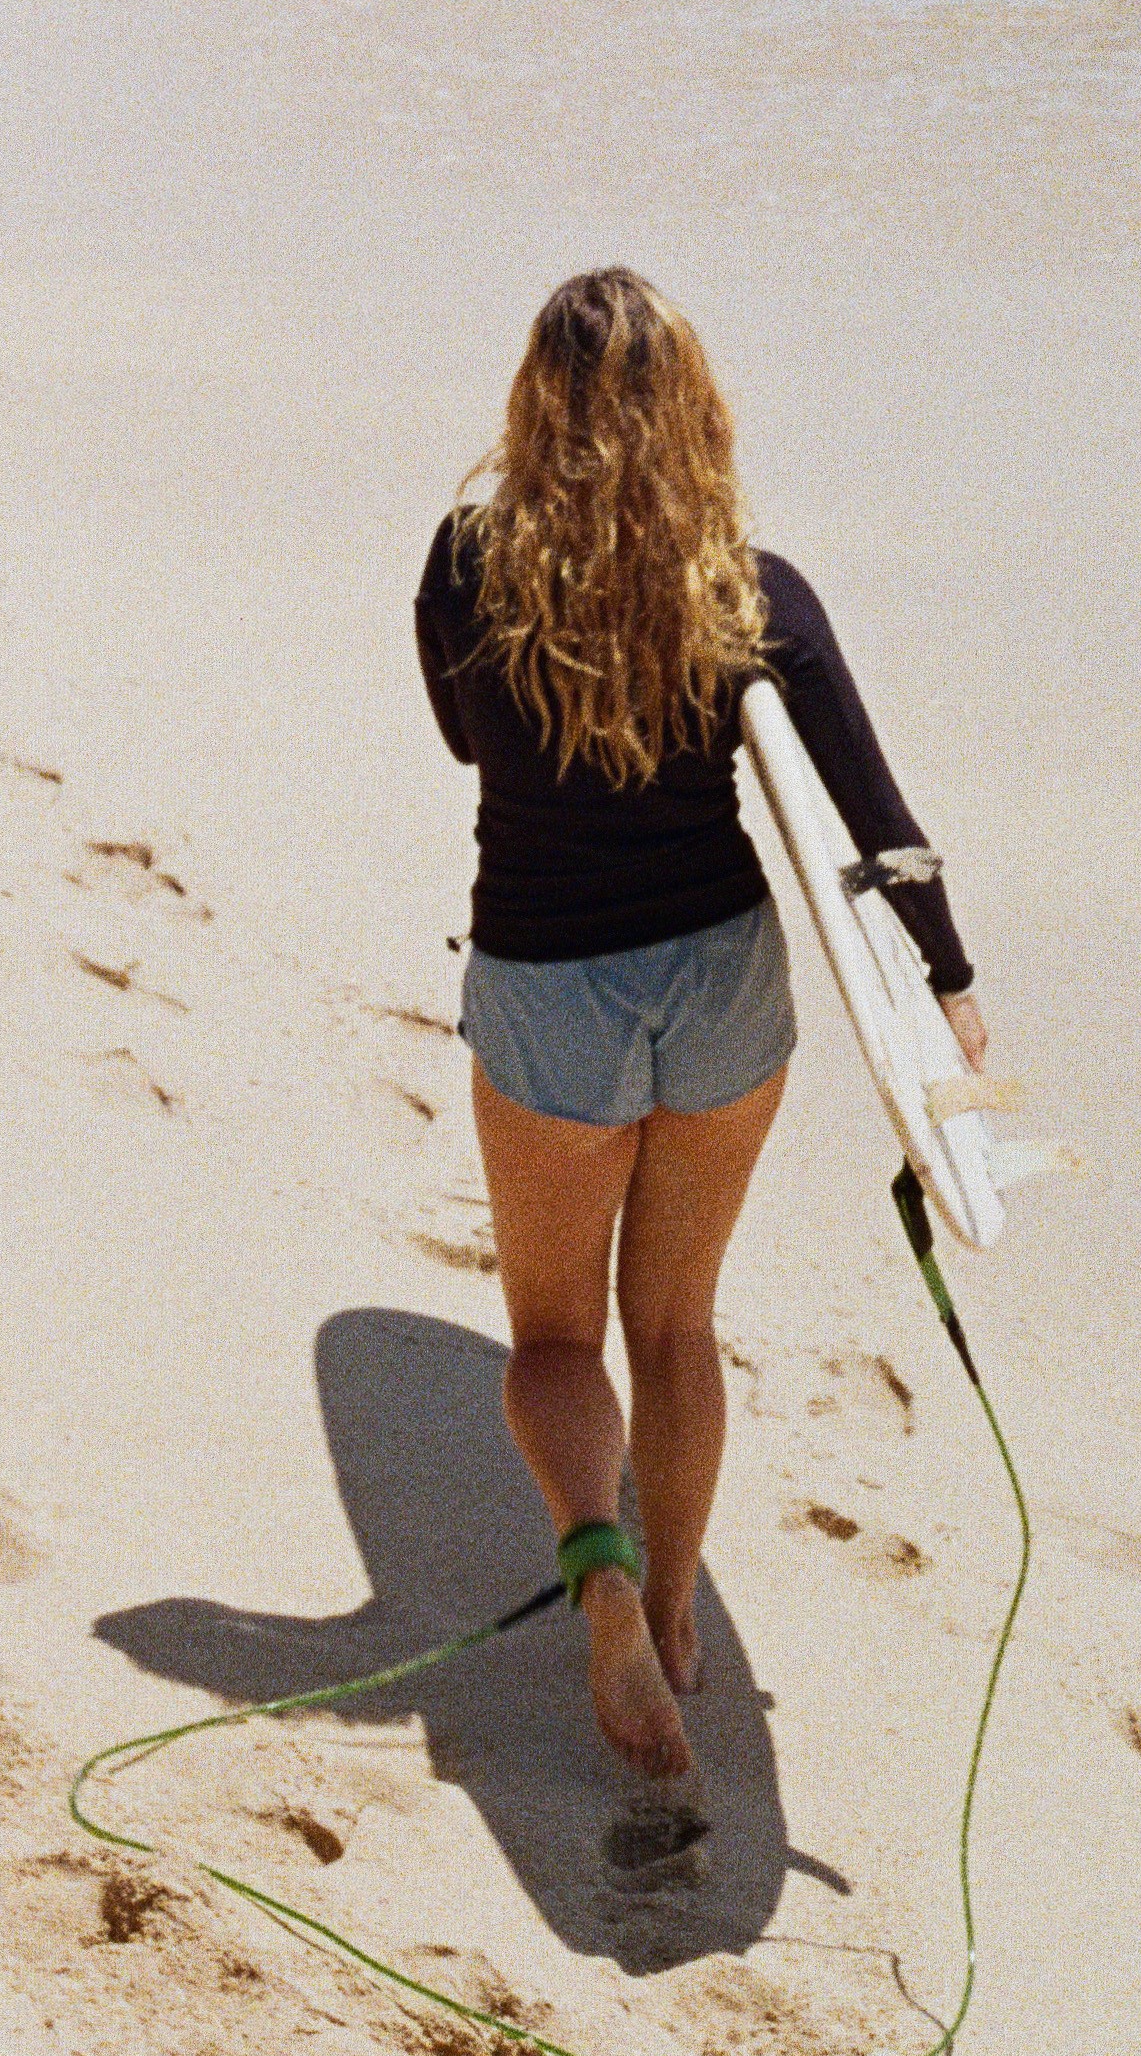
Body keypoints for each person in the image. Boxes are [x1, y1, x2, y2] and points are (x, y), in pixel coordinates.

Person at [417, 267, 987, 1799]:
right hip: (724, 984)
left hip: (549, 983)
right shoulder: (752, 588)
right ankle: (674, 1606)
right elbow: (875, 816)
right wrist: (949, 995)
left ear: (533, 408)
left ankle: (598, 1574)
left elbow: (464, 734)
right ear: (695, 410)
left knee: (551, 1338)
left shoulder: (470, 571)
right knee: (675, 1327)